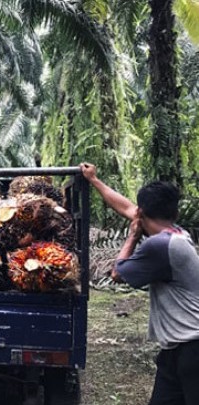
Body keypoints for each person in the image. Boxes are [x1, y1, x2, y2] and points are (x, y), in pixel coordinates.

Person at [80, 162, 199, 404]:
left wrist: (133, 235)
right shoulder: (177, 234)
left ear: (142, 215)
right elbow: (126, 207)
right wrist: (94, 180)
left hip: (193, 347)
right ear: (174, 214)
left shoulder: (159, 245)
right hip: (176, 349)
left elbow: (117, 273)